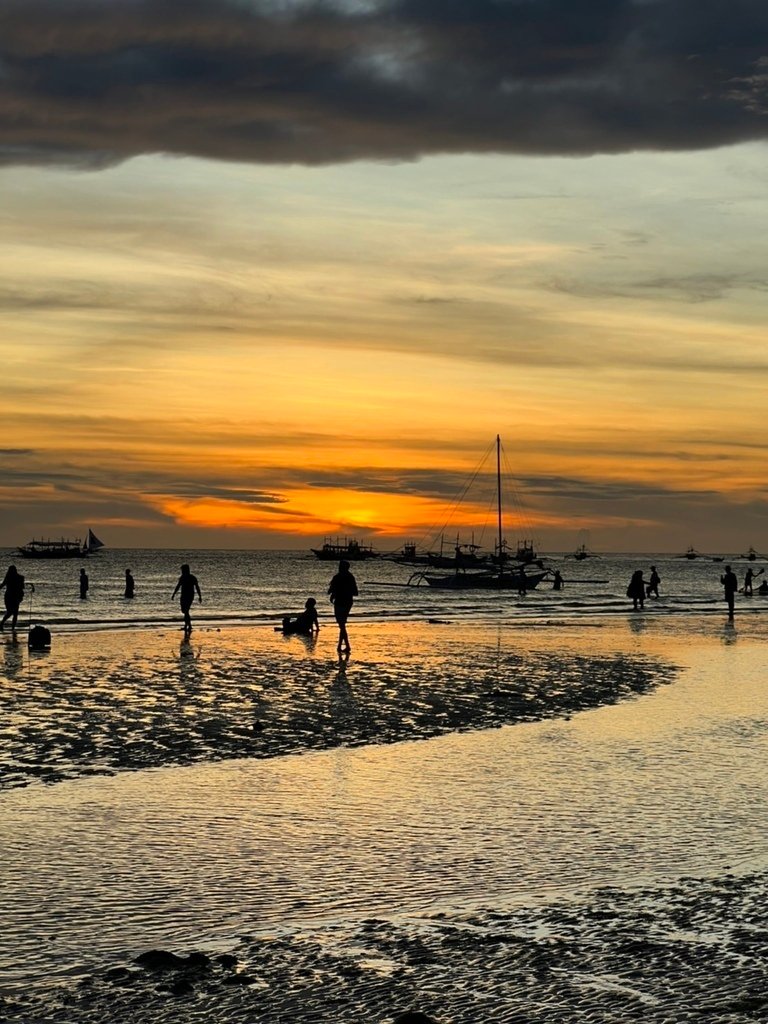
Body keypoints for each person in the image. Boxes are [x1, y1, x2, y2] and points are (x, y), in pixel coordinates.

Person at [328, 559, 358, 654]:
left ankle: (345, 645)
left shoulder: (338, 577)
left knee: (341, 625)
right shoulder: (350, 577)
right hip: (348, 602)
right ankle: (341, 645)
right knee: (342, 624)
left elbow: (330, 590)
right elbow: (355, 592)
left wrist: (337, 592)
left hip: (340, 602)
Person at [172, 563, 202, 633]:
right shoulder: (182, 577)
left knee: (186, 610)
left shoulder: (192, 578)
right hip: (184, 596)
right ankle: (188, 625)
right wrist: (174, 594)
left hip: (189, 596)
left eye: (182, 570)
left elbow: (197, 587)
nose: (182, 571)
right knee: (184, 610)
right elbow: (178, 586)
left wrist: (200, 596)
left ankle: (187, 625)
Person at [0, 565, 26, 630]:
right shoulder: (19, 578)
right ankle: (5, 624)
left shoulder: (9, 577)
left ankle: (8, 626)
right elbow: (22, 587)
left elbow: (2, 585)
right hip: (14, 597)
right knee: (12, 612)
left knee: (12, 612)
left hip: (11, 596)